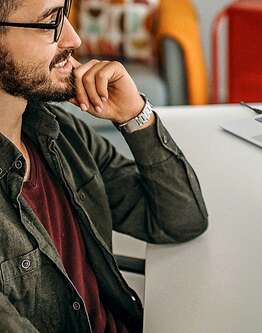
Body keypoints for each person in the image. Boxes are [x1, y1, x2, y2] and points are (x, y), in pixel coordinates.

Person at [0, 0, 209, 332]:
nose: (74, 38)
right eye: (52, 21)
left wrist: (134, 115)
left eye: (65, 14)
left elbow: (180, 220)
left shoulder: (58, 131)